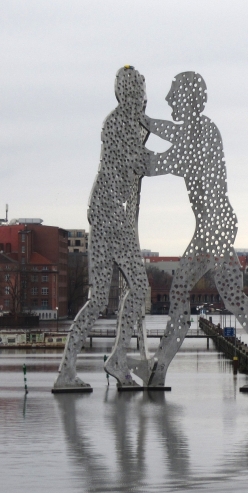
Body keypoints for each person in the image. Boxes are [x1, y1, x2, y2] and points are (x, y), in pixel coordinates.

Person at [142, 71, 248, 391]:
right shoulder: (197, 130)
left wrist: (135, 151)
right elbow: (173, 134)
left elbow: (161, 162)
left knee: (178, 292)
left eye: (173, 95)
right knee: (234, 298)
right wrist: (146, 121)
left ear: (189, 99)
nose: (168, 100)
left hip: (214, 228)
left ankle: (160, 369)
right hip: (216, 225)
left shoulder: (203, 133)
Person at [53, 66, 151, 392]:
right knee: (138, 290)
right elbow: (139, 164)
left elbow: (135, 176)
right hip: (112, 222)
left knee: (98, 300)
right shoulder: (119, 125)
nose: (144, 98)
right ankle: (116, 360)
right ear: (128, 94)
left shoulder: (128, 124)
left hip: (110, 219)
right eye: (140, 92)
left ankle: (71, 370)